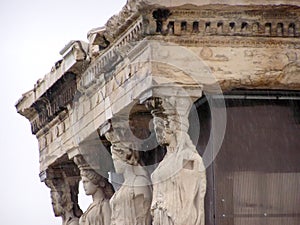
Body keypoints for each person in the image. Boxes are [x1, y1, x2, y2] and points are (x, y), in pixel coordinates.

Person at [151, 115, 206, 225]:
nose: (158, 133)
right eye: (156, 129)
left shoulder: (188, 157)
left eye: (161, 128)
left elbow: (192, 192)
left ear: (173, 130)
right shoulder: (165, 160)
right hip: (161, 214)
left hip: (177, 214)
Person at [109, 146, 152, 225]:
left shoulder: (139, 183)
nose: (114, 163)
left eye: (115, 160)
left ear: (125, 159)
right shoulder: (122, 188)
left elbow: (143, 218)